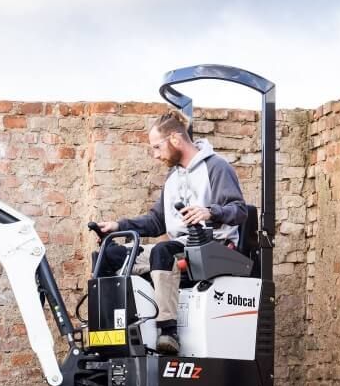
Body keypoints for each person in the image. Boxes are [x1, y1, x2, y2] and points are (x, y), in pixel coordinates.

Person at [93, 110, 249, 355]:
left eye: (157, 147)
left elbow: (239, 210)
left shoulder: (216, 167)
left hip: (213, 249)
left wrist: (209, 212)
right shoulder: (173, 177)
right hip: (181, 247)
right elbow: (156, 222)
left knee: (163, 250)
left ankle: (168, 331)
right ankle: (106, 335)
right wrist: (118, 226)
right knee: (108, 255)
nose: (155, 155)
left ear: (175, 139)